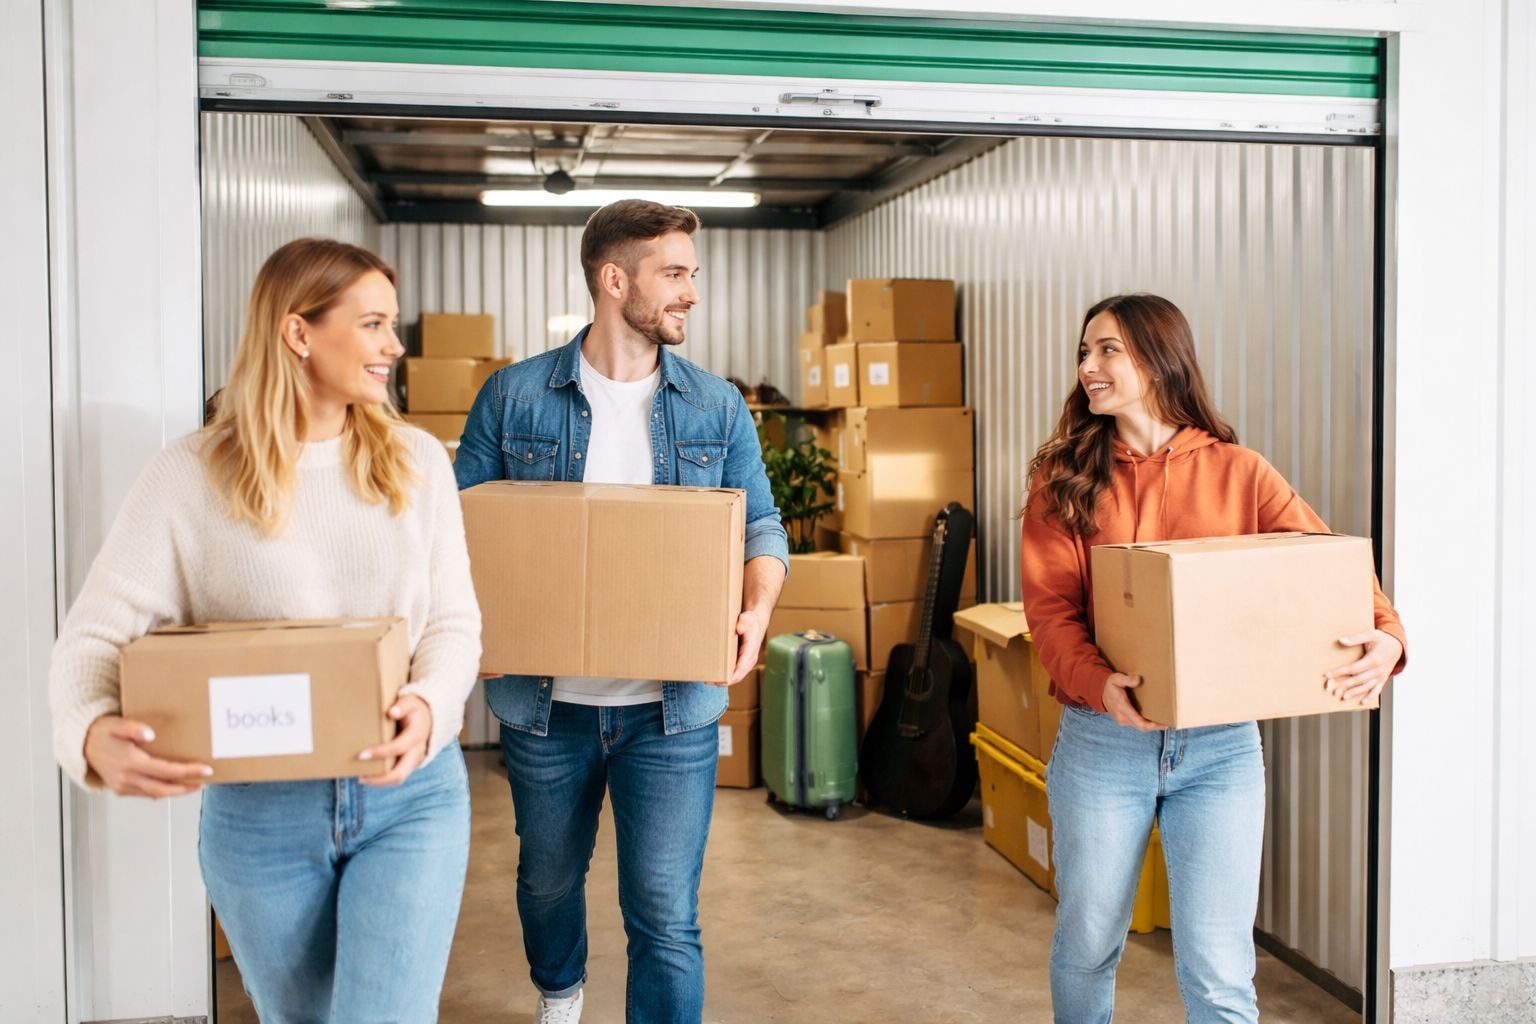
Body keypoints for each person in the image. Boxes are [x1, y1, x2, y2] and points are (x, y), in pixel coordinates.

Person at [49, 238, 482, 1023]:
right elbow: (92, 640)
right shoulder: (190, 476)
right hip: (259, 814)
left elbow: (453, 623)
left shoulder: (417, 462)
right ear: (298, 334)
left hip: (408, 795)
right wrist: (86, 733)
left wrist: (430, 707)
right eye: (375, 323)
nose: (395, 346)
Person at [1020, 293, 1407, 1024]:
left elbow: (1328, 570)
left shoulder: (1240, 473)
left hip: (1222, 749)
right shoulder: (1063, 479)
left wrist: (1388, 633)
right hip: (1106, 746)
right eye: (1084, 352)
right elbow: (1050, 614)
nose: (1088, 367)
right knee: (1089, 942)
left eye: (1107, 350)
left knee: (1221, 965)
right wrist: (1101, 686)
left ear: (1160, 359)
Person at [454, 199, 789, 1024]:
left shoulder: (715, 406)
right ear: (614, 280)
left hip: (669, 712)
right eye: (674, 274)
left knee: (666, 912)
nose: (691, 295)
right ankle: (560, 995)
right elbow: (460, 526)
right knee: (546, 882)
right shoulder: (514, 395)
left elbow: (762, 525)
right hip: (545, 703)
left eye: (691, 276)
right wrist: (473, 630)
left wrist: (758, 603)